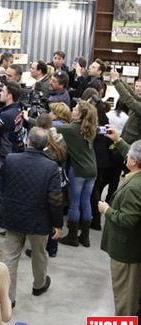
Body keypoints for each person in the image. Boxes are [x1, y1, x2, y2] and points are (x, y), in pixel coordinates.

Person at [0, 127, 63, 307]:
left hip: (13, 215)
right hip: (39, 219)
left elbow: (1, 185)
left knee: (10, 256)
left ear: (28, 141)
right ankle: (39, 284)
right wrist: (57, 223)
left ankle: (8, 298)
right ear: (46, 146)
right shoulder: (51, 167)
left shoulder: (11, 159)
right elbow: (55, 199)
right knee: (39, 253)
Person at [99, 132, 141, 319]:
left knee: (125, 291)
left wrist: (106, 210)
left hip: (126, 250)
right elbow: (132, 153)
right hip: (130, 248)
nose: (126, 156)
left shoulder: (134, 188)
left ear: (133, 162)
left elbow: (128, 220)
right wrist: (118, 140)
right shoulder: (136, 176)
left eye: (129, 155)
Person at [57, 100, 98, 248]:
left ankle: (73, 236)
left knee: (74, 203)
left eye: (74, 109)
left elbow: (50, 125)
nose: (72, 110)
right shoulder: (91, 128)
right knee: (85, 202)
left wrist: (28, 117)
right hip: (92, 170)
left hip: (78, 170)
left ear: (80, 114)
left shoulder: (71, 129)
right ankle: (85, 237)